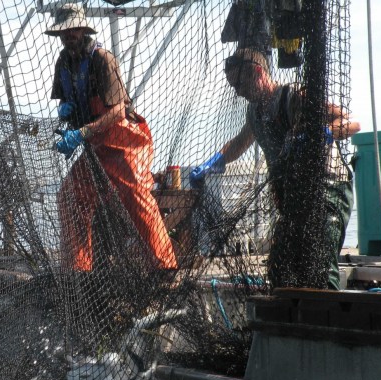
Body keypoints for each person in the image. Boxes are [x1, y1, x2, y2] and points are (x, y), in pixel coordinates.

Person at [190, 47, 360, 290]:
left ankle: (325, 318)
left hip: (327, 190)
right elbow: (240, 143)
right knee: (282, 267)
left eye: (239, 84)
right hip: (293, 196)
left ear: (258, 73)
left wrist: (322, 134)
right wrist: (214, 161)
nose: (238, 93)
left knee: (319, 264)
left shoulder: (292, 96)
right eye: (234, 87)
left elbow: (350, 122)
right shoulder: (255, 112)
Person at [46, 4, 177, 272]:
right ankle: (78, 270)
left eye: (72, 29)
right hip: (96, 147)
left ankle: (165, 268)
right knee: (70, 196)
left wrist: (82, 132)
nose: (68, 34)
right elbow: (69, 103)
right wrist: (66, 115)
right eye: (63, 31)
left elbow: (117, 111)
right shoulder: (63, 63)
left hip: (124, 142)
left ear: (82, 29)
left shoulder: (101, 59)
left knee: (135, 195)